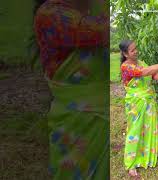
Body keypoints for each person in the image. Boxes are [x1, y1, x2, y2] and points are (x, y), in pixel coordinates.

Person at [34, 0, 108, 179]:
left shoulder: (87, 9)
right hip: (78, 122)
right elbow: (102, 31)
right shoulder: (51, 14)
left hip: (99, 116)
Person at [119, 40, 158, 177]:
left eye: (136, 48)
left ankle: (145, 156)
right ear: (125, 54)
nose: (136, 51)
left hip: (148, 102)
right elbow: (145, 71)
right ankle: (131, 163)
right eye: (132, 50)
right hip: (136, 104)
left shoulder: (141, 62)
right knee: (135, 131)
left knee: (147, 129)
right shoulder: (126, 67)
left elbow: (153, 75)